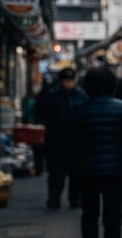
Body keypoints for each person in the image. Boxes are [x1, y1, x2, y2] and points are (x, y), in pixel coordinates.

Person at [66, 67, 122, 238]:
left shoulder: (79, 110)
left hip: (87, 169)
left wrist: (73, 164)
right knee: (113, 216)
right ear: (113, 85)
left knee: (89, 214)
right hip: (116, 170)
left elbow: (70, 142)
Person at [35, 68, 86, 209]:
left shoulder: (81, 96)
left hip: (75, 141)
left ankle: (75, 199)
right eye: (66, 80)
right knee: (56, 173)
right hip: (56, 140)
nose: (69, 83)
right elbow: (42, 114)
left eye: (71, 80)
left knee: (75, 173)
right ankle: (54, 198)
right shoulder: (52, 96)